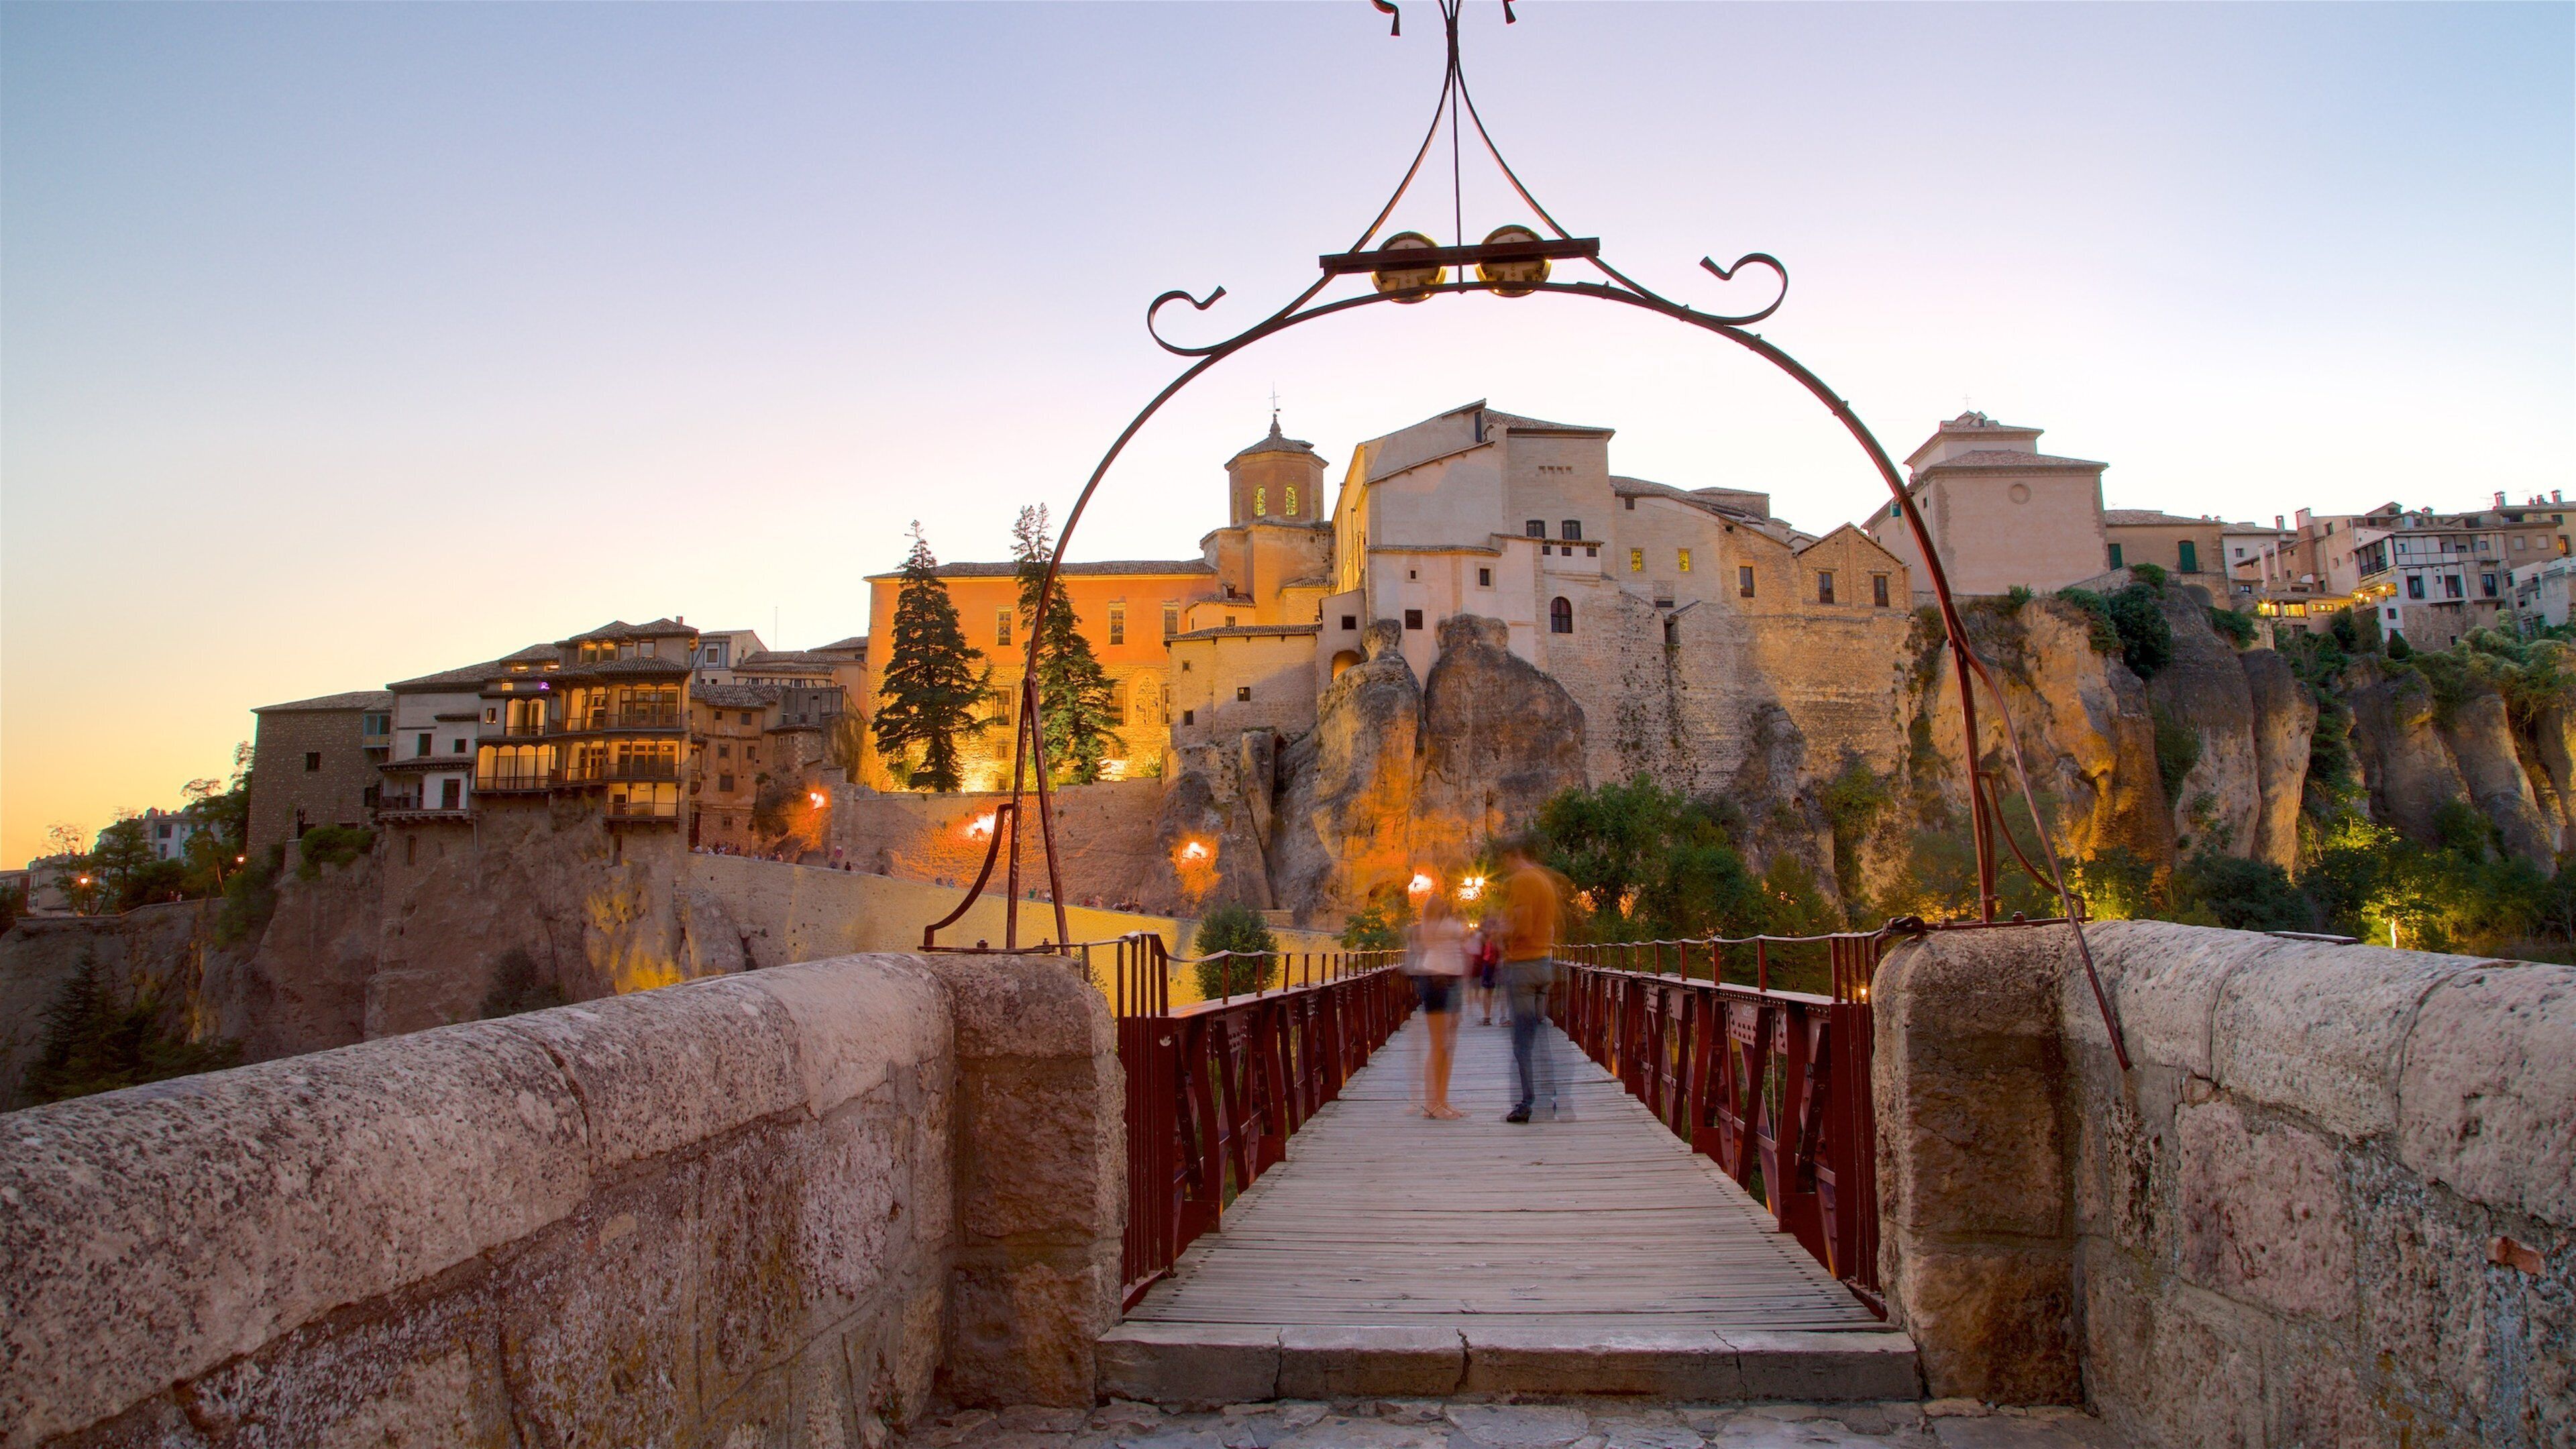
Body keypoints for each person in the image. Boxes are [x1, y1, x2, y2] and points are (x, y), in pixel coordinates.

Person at [1493, 837, 1568, 1124]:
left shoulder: (1523, 881)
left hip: (1523, 966)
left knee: (1523, 1040)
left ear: (1515, 855)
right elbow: (1548, 927)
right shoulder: (1545, 882)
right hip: (1543, 963)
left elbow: (1521, 927)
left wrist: (1502, 930)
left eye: (1505, 861)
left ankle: (1526, 1104)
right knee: (1540, 1035)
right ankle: (1551, 1101)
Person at [1404, 890, 1469, 1119]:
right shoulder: (1434, 901)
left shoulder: (1453, 907)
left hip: (1453, 978)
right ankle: (1431, 1103)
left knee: (1449, 1044)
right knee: (1439, 1043)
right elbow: (1426, 939)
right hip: (1435, 977)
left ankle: (1443, 1099)